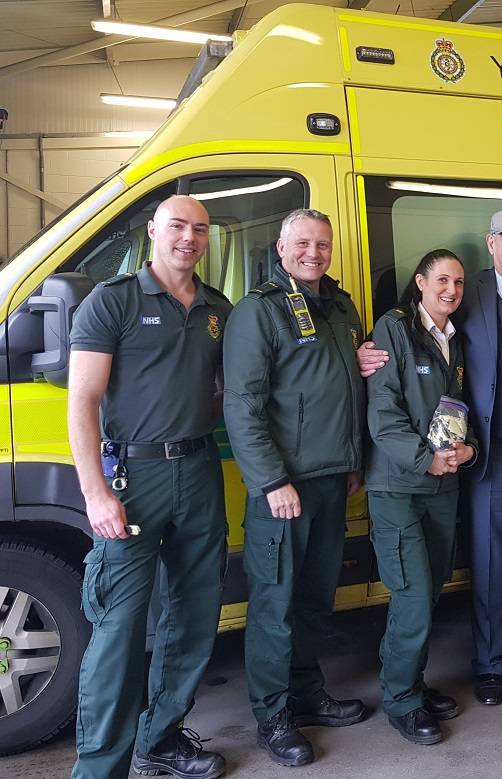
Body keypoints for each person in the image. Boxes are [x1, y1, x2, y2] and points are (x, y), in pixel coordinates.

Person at [359, 208, 502, 706]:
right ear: (491, 244)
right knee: (488, 563)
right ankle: (490, 664)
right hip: (489, 457)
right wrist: (365, 351)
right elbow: (421, 334)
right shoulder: (467, 296)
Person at [68, 195, 231, 779]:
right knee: (119, 624)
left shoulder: (219, 309)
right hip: (132, 479)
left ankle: (159, 741)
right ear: (154, 231)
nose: (189, 238)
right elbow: (82, 401)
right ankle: (99, 767)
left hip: (200, 469)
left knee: (193, 614)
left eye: (200, 230)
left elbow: (232, 385)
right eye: (178, 226)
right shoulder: (112, 303)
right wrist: (95, 494)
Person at [223, 209, 367, 767]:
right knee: (275, 603)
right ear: (281, 248)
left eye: (323, 244)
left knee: (313, 599)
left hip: (332, 479)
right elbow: (244, 404)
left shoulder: (339, 304)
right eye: (303, 243)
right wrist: (271, 479)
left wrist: (353, 461)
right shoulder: (259, 310)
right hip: (284, 486)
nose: (314, 252)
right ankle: (273, 714)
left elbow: (338, 385)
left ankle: (307, 694)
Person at [365, 249, 477, 745]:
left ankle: (410, 681)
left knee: (428, 593)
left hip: (443, 484)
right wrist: (423, 458)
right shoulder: (395, 328)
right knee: (411, 595)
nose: (451, 290)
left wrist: (469, 451)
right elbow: (383, 410)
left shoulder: (457, 337)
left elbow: (465, 409)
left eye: (458, 282)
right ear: (420, 281)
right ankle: (402, 701)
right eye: (441, 280)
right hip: (399, 485)